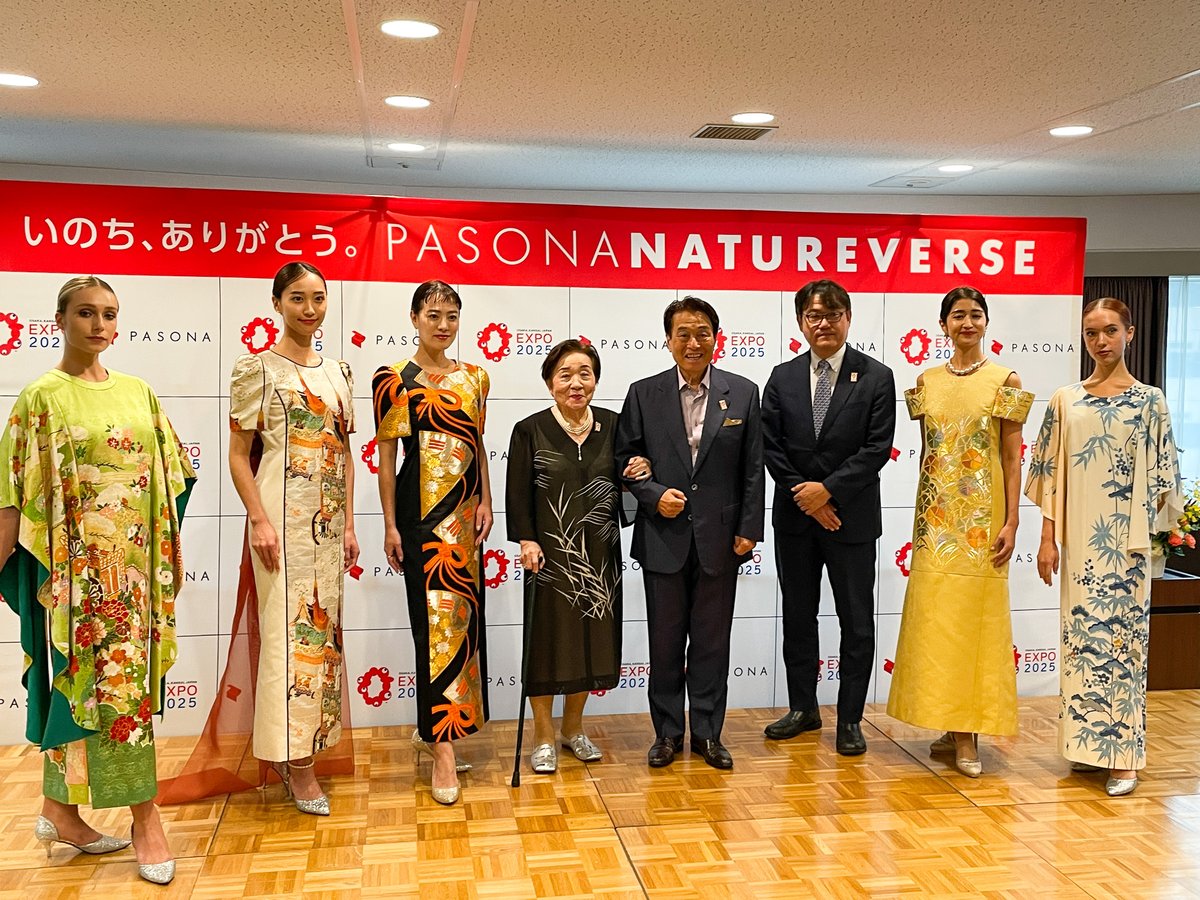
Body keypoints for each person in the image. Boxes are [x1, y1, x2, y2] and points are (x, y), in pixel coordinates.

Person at [0, 276, 194, 884]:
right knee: (87, 691)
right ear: (59, 319)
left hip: (131, 580)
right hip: (75, 582)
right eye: (85, 312)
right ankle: (145, 817)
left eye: (109, 313)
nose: (98, 324)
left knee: (117, 694)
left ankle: (61, 810)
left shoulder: (139, 393)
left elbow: (173, 477)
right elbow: (14, 491)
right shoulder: (41, 397)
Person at [1026, 298, 1181, 797]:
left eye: (1110, 331)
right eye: (1092, 333)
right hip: (1080, 549)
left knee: (1125, 650)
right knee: (1082, 645)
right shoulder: (1065, 399)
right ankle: (1086, 750)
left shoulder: (1150, 400)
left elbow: (1164, 477)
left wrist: (1158, 539)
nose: (1101, 341)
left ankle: (1125, 760)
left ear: (1130, 334)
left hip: (1129, 548)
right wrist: (1047, 539)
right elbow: (1048, 473)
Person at [220, 261, 358, 815]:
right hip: (280, 522)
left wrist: (348, 523)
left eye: (319, 298)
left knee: (322, 638)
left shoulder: (340, 371)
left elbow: (344, 453)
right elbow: (237, 457)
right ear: (277, 302)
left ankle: (310, 749)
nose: (310, 308)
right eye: (298, 298)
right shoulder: (255, 369)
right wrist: (258, 520)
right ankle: (292, 762)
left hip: (328, 527)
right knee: (285, 637)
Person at [886, 286, 1033, 777]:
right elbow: (929, 454)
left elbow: (1011, 457)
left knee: (975, 626)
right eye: (957, 316)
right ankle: (948, 727)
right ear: (943, 325)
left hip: (982, 526)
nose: (966, 323)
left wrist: (1012, 521)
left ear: (986, 322)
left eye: (975, 315)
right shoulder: (924, 381)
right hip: (934, 525)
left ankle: (969, 733)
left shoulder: (1004, 378)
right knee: (938, 626)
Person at [615, 296, 764, 770]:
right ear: (668, 340)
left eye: (702, 332)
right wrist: (653, 491)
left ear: (716, 338)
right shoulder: (643, 393)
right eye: (683, 333)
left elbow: (753, 467)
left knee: (711, 641)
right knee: (664, 641)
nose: (693, 342)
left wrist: (749, 528)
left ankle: (707, 734)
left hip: (721, 539)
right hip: (663, 536)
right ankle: (666, 734)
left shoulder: (742, 392)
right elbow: (624, 460)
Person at [761, 280, 896, 755]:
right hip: (797, 519)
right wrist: (809, 499)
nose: (823, 323)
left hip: (851, 520)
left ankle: (851, 720)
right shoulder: (781, 377)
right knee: (799, 618)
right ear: (801, 321)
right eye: (814, 315)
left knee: (856, 622)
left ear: (848, 318)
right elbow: (771, 446)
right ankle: (803, 708)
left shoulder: (877, 376)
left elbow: (876, 448)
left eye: (833, 314)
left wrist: (829, 492)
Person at [373, 280, 493, 805]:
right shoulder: (393, 379)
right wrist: (389, 525)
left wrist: (487, 501)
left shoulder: (474, 377)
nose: (443, 325)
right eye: (433, 314)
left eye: (452, 315)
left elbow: (479, 444)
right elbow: (386, 459)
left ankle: (448, 730)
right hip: (420, 520)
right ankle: (440, 746)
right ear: (414, 318)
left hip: (467, 520)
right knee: (433, 626)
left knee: (463, 625)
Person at [506, 340, 648, 773]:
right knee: (548, 646)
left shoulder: (614, 425)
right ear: (550, 382)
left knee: (592, 643)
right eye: (565, 374)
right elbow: (517, 495)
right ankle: (544, 735)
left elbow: (630, 479)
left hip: (601, 555)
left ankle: (574, 729)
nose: (575, 383)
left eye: (584, 373)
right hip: (548, 558)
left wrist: (640, 469)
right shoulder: (529, 430)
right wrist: (526, 540)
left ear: (596, 380)